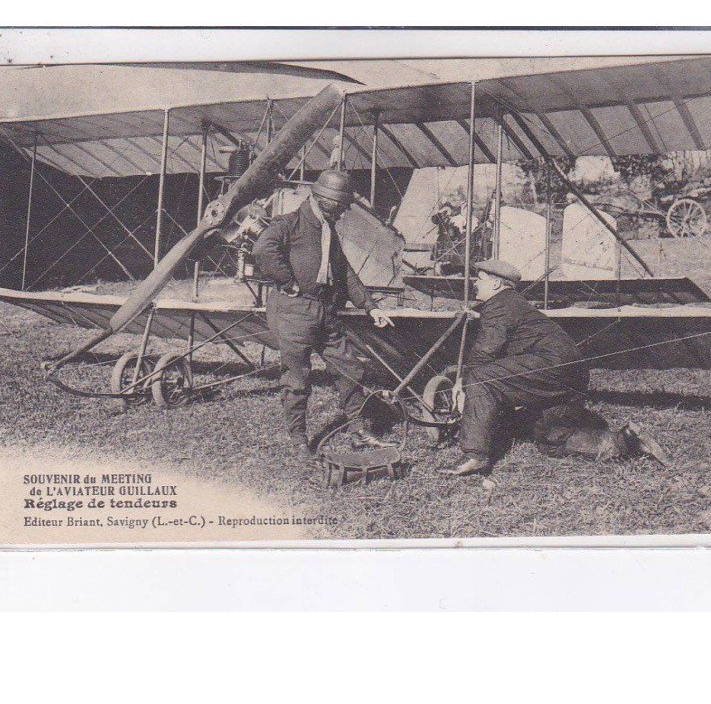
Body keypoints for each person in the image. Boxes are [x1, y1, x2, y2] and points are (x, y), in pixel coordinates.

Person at [441, 259, 665, 476]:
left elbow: (485, 351)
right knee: (551, 438)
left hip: (549, 364)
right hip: (572, 371)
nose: (475, 283)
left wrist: (464, 383)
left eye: (479, 279)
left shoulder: (498, 305)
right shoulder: (512, 303)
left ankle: (475, 455)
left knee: (481, 378)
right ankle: (626, 442)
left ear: (496, 284)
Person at [253, 169, 395, 459]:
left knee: (349, 368)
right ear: (327, 202)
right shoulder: (289, 223)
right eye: (341, 207)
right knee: (297, 379)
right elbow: (263, 249)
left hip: (326, 311)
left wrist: (371, 306)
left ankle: (358, 431)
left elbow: (344, 272)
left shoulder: (327, 229)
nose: (343, 213)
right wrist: (287, 281)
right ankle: (299, 440)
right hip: (295, 312)